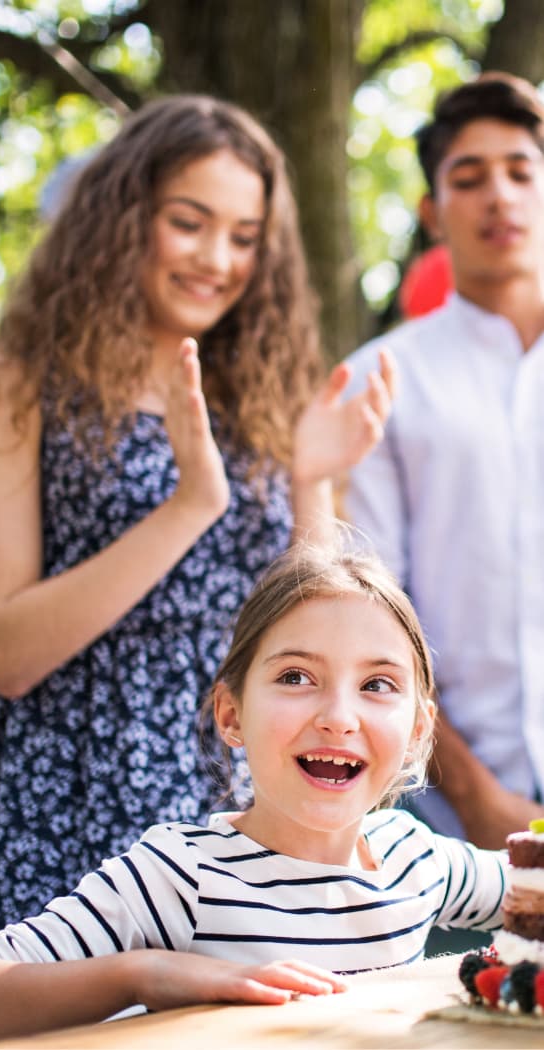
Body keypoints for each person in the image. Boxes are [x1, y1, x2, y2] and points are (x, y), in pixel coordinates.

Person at [0, 94, 396, 947]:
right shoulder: (16, 388)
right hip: (79, 792)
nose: (217, 258)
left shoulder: (263, 396)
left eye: (243, 236)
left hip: (240, 799)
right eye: (189, 223)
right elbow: (8, 656)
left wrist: (312, 477)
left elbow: (310, 630)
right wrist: (190, 506)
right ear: (123, 220)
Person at [0, 540, 506, 1047]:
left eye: (377, 685)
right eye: (295, 677)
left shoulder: (419, 859)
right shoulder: (181, 876)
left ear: (418, 729)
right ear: (231, 714)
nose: (339, 716)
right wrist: (141, 973)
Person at [342, 71, 544, 850]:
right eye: (470, 177)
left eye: (522, 172)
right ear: (433, 212)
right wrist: (472, 794)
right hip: (443, 809)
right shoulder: (378, 381)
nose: (500, 195)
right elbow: (375, 612)